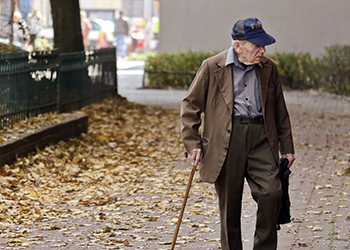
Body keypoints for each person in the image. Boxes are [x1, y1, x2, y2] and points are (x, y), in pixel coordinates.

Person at [180, 17, 295, 250]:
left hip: (261, 137)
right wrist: (193, 142)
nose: (262, 50)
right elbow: (190, 106)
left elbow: (279, 110)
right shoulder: (212, 67)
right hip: (226, 139)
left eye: (264, 45)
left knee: (272, 193)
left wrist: (287, 148)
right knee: (229, 207)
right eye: (256, 45)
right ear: (238, 45)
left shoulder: (269, 68)